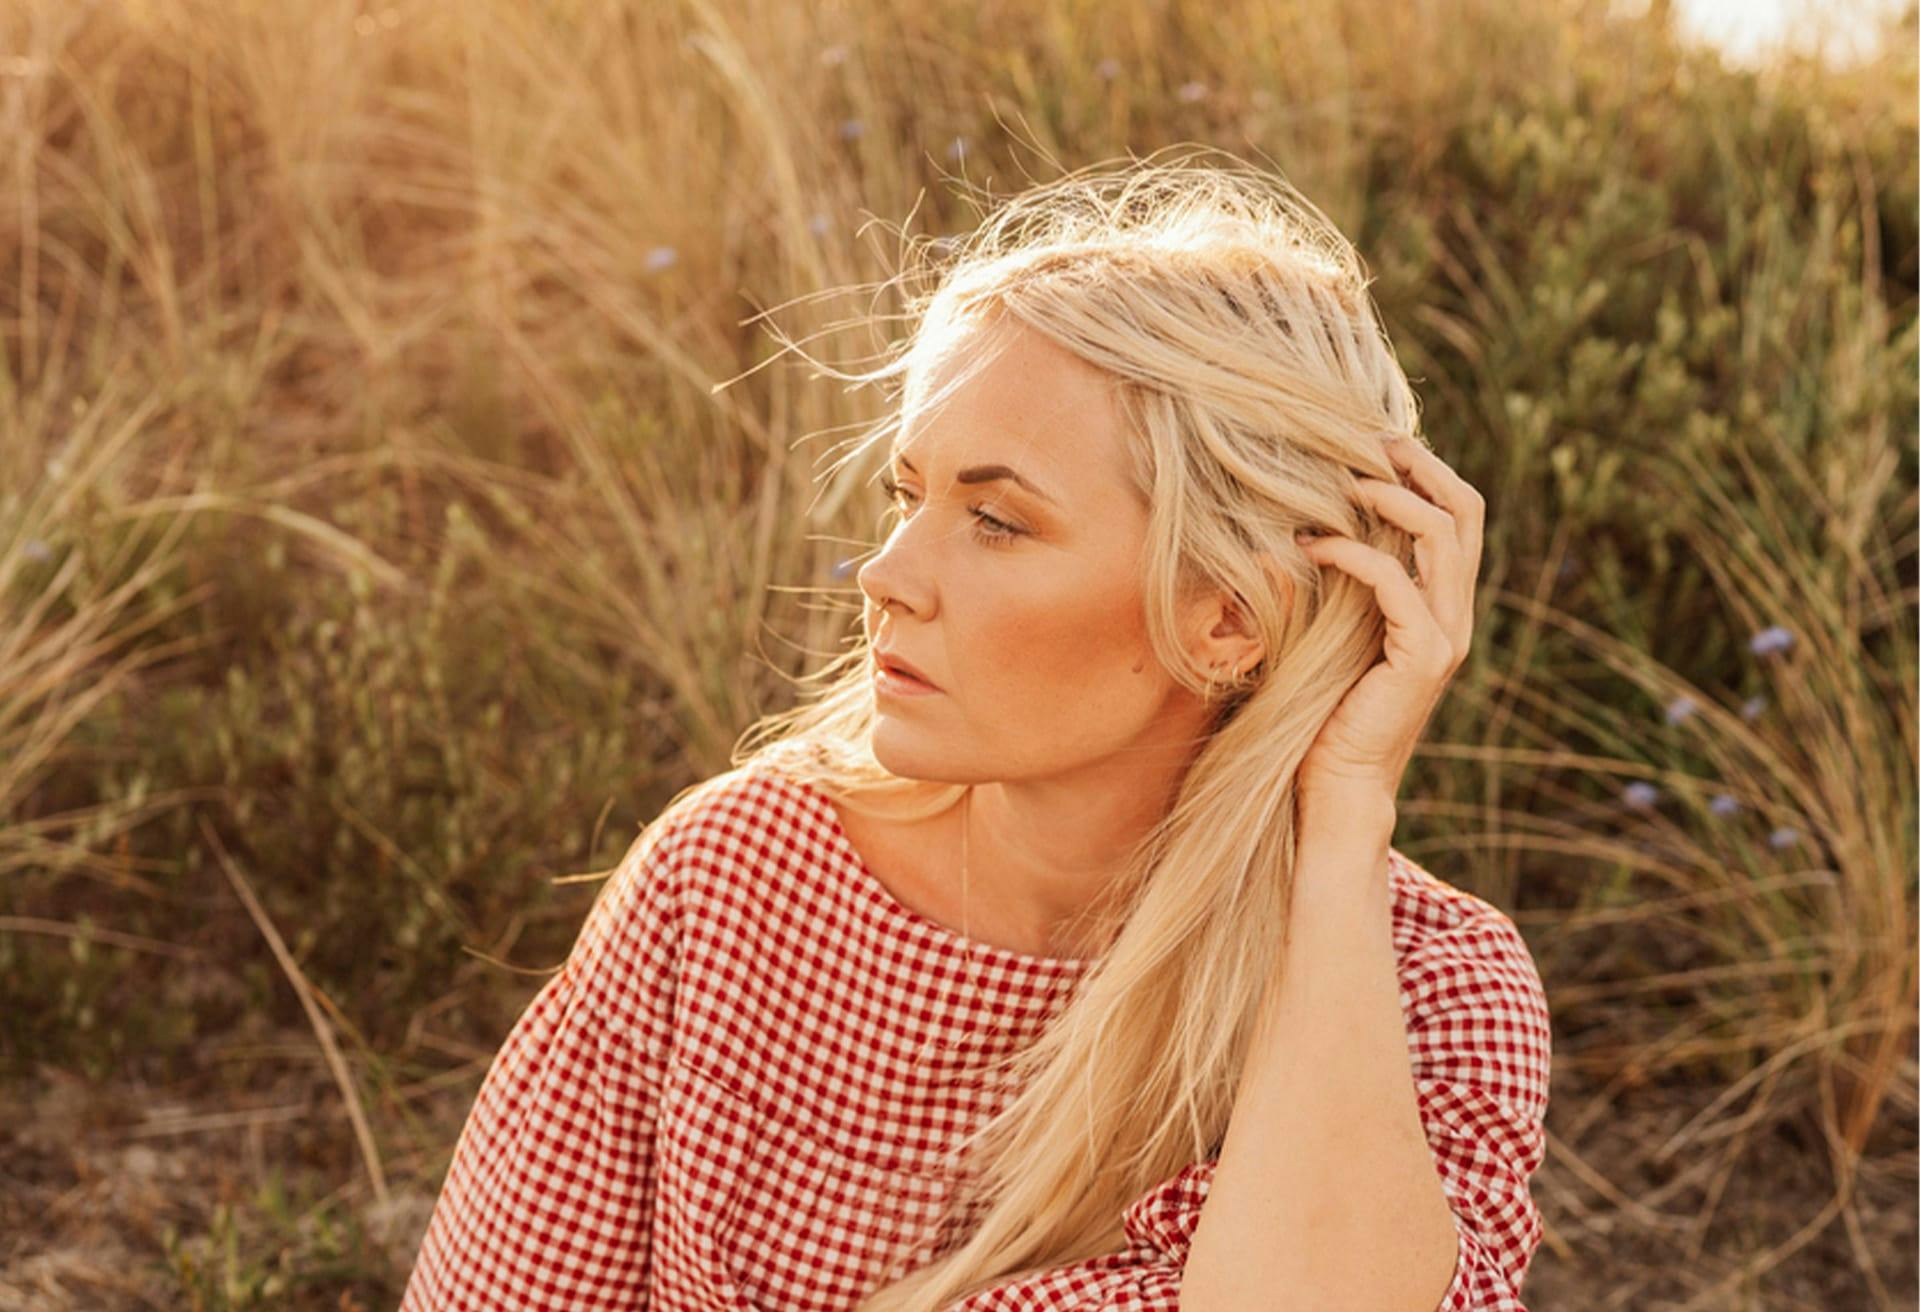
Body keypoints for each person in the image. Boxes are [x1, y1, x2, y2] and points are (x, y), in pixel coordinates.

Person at [399, 149, 1552, 1311]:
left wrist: (1345, 807)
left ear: (1228, 618)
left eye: (996, 520)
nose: (886, 573)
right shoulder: (733, 879)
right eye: (909, 496)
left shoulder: (1429, 989)